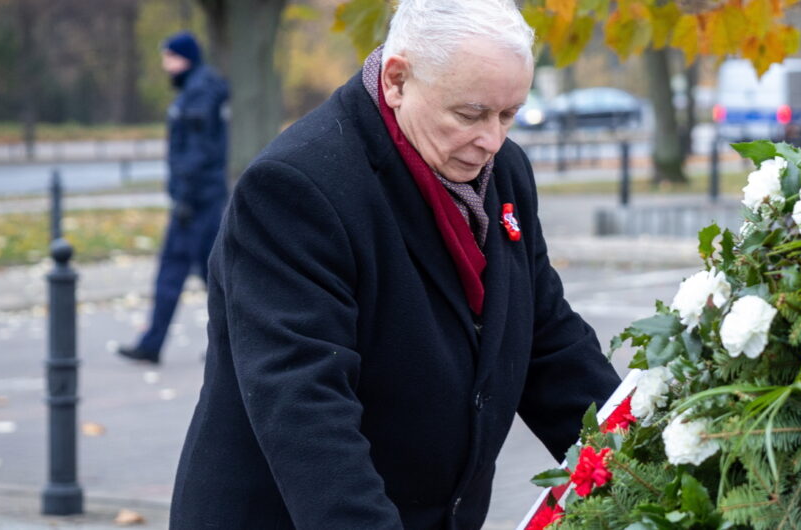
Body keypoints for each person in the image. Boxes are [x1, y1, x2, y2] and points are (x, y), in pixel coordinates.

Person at [169, 1, 621, 528]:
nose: (492, 140)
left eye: (508, 114)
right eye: (470, 114)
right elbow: (306, 406)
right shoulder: (296, 188)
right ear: (397, 81)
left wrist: (640, 465)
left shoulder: (506, 172)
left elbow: (549, 344)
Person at [118, 31, 228, 364]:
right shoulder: (201, 89)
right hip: (203, 197)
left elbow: (196, 152)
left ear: (186, 58)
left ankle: (153, 345)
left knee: (174, 272)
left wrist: (184, 197)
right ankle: (230, 345)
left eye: (170, 57)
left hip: (195, 201)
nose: (166, 65)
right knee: (216, 275)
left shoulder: (197, 93)